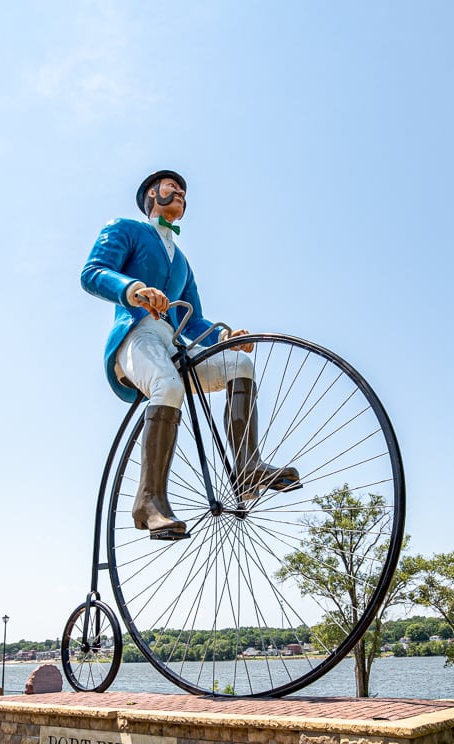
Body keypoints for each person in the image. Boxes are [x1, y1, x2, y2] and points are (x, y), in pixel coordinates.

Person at [81, 170, 299, 541]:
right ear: (152, 194)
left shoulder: (182, 261)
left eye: (183, 191)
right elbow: (92, 273)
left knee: (239, 365)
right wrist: (132, 289)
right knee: (166, 386)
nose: (180, 192)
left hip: (173, 343)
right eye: (171, 187)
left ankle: (247, 468)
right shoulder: (125, 229)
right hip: (137, 336)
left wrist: (225, 336)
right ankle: (148, 502)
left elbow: (193, 319)